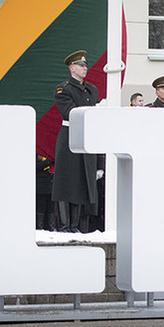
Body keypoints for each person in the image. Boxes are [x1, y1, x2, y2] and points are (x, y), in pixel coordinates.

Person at [51, 50, 101, 233]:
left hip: (86, 136)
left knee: (81, 181)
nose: (84, 68)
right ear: (72, 68)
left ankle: (76, 225)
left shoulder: (91, 89)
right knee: (66, 181)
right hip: (70, 136)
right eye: (81, 65)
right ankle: (64, 225)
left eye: (85, 65)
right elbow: (69, 112)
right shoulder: (64, 89)